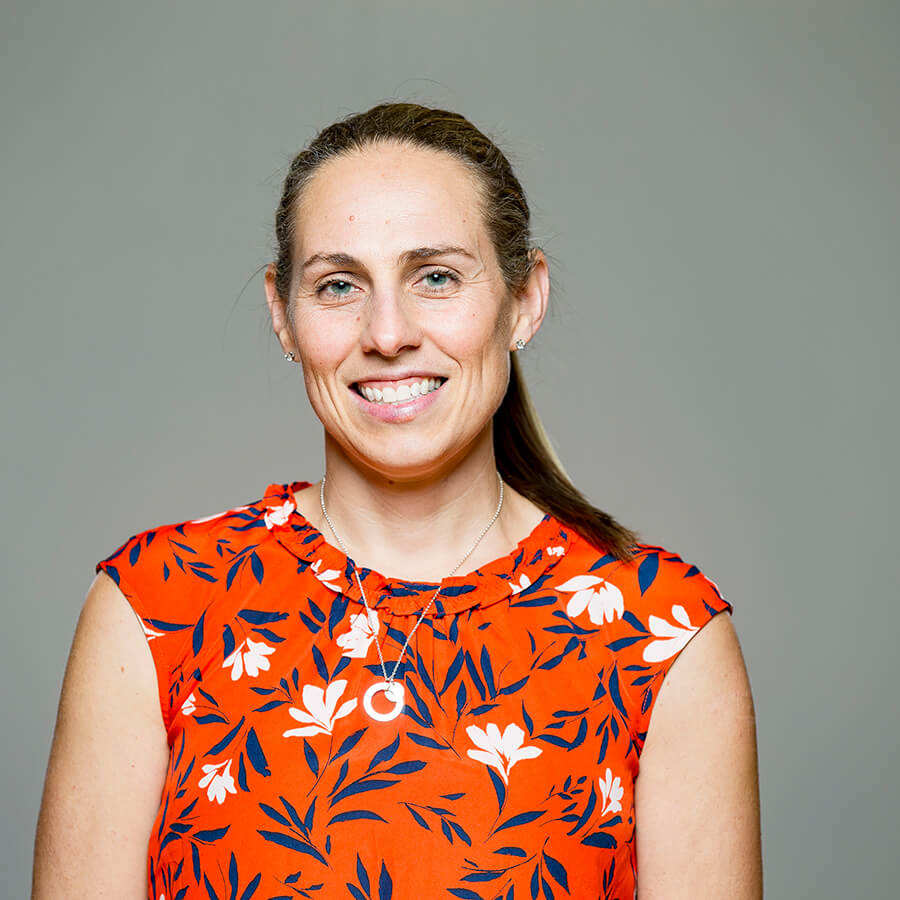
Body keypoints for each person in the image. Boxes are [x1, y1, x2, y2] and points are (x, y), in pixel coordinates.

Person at [32, 102, 762, 899]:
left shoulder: (663, 635)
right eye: (339, 285)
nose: (387, 333)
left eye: (436, 277)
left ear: (524, 300)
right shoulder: (157, 606)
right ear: (283, 315)